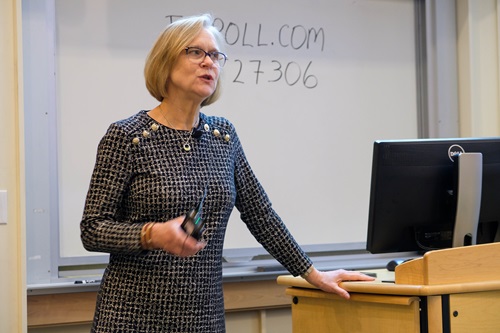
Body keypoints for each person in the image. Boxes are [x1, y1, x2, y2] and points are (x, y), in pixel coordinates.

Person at [80, 13, 374, 333]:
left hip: (202, 317)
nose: (209, 63)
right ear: (165, 62)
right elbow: (93, 229)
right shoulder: (128, 136)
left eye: (215, 55)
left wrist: (313, 274)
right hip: (131, 318)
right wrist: (152, 234)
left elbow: (261, 214)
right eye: (195, 52)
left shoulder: (223, 136)